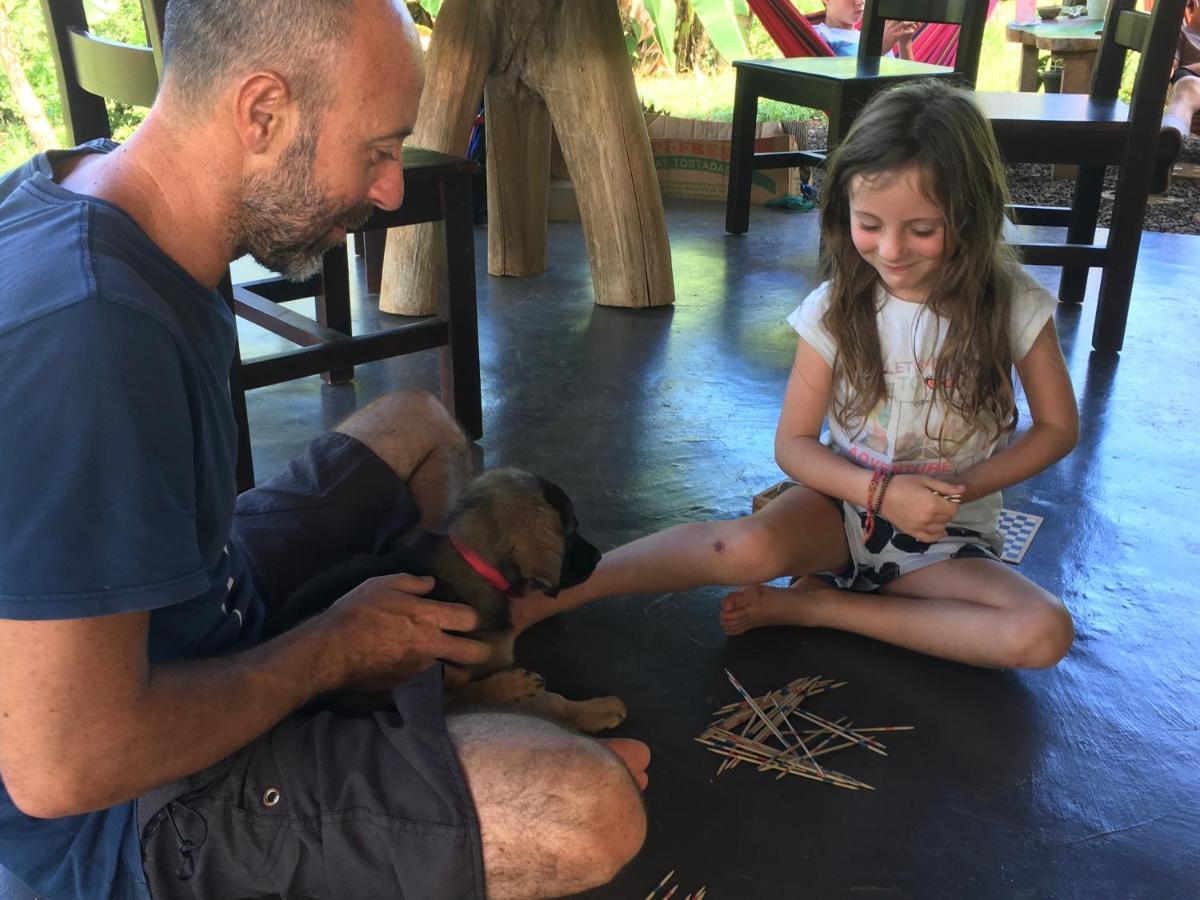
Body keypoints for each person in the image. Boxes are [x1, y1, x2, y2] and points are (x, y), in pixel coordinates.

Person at [0, 1, 647, 898]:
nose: (390, 189)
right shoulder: (90, 338)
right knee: (582, 808)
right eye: (378, 149)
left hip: (191, 599)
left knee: (419, 422)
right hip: (116, 810)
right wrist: (331, 650)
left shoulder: (98, 195)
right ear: (261, 112)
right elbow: (63, 767)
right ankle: (403, 734)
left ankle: (435, 674)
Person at [515, 80, 1078, 672]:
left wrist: (956, 493)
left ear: (974, 213)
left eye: (922, 230)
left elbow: (1057, 427)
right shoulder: (835, 307)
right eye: (869, 223)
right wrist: (883, 495)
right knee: (744, 546)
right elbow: (793, 445)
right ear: (844, 211)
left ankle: (821, 609)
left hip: (947, 541)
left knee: (1043, 633)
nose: (890, 250)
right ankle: (560, 595)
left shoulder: (1013, 303)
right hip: (839, 514)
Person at [813, 0, 917, 60]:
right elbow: (837, 88)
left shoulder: (873, 36)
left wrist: (905, 43)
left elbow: (911, 86)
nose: (860, 2)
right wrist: (878, 50)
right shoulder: (818, 35)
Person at [1162, 0, 1200, 138]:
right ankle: (1170, 136)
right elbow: (1168, 72)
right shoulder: (1181, 35)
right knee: (1187, 83)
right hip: (1191, 88)